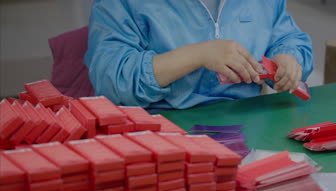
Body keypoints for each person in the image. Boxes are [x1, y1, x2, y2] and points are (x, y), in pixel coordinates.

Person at [85, 0, 313, 111]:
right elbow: (111, 81)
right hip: (160, 129)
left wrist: (288, 58)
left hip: (247, 120)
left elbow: (287, 36)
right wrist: (198, 54)